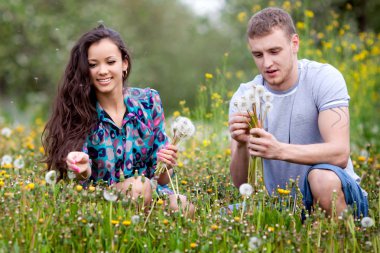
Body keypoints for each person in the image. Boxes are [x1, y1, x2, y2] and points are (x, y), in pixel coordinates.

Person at [228, 7, 368, 217]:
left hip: (339, 192)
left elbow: (339, 153)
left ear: (294, 44)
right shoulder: (245, 96)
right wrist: (240, 145)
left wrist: (278, 150)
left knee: (322, 179)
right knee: (224, 217)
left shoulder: (324, 78)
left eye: (274, 51)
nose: (266, 63)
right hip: (281, 205)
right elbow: (241, 185)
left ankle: (344, 239)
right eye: (258, 54)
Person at [42, 24, 194, 216]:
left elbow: (161, 178)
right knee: (139, 186)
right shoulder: (78, 111)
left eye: (110, 62)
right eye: (93, 64)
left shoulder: (148, 102)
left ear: (124, 63)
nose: (102, 70)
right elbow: (82, 175)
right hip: (100, 200)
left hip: (148, 192)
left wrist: (167, 165)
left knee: (183, 206)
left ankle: (147, 236)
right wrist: (80, 166)